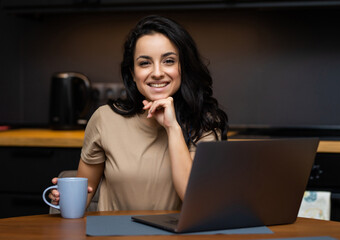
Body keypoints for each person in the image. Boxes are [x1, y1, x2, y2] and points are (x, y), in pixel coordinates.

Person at [49, 15, 228, 211]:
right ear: (133, 74)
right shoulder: (105, 119)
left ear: (183, 68)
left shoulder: (206, 123)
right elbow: (81, 198)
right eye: (145, 63)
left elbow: (195, 200)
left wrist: (172, 127)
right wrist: (62, 198)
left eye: (168, 61)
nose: (157, 72)